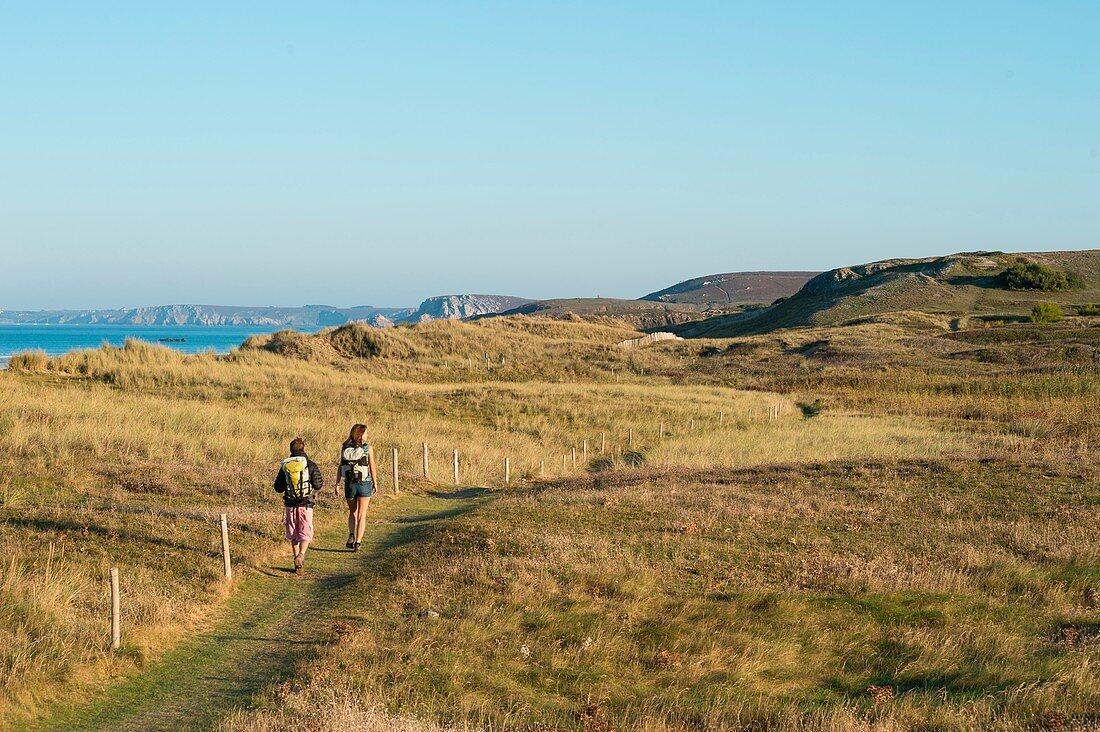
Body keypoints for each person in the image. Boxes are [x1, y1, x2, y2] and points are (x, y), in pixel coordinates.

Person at [274, 436, 324, 575]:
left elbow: (278, 487)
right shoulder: (310, 464)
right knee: (305, 533)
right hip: (306, 504)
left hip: (290, 505)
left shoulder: (285, 466)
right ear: (303, 449)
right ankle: (301, 555)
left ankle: (296, 562)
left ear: (290, 450)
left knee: (294, 534)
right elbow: (318, 485)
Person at [336, 423, 377, 552]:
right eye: (366, 432)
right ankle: (358, 543)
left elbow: (340, 466)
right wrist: (375, 483)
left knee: (352, 512)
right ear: (361, 434)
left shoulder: (345, 447)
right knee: (362, 515)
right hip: (364, 483)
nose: (367, 435)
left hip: (349, 484)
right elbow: (372, 467)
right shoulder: (367, 448)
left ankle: (351, 534)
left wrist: (336, 483)